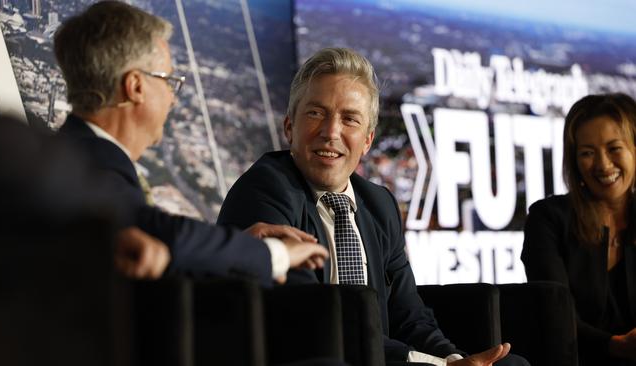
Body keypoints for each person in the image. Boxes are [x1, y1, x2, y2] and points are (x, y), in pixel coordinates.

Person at [218, 47, 528, 365]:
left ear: (367, 141)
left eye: (349, 119)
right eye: (315, 113)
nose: (330, 132)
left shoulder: (380, 204)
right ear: (289, 128)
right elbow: (311, 318)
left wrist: (451, 358)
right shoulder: (266, 190)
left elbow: (409, 315)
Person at [52, 1, 328, 285]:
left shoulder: (75, 151)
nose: (173, 98)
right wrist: (273, 253)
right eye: (169, 81)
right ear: (135, 86)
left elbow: (150, 251)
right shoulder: (92, 161)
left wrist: (238, 246)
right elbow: (161, 232)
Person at [522, 93, 636, 365]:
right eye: (587, 153)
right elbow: (553, 313)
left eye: (614, 148)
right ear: (574, 161)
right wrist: (615, 346)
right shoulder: (547, 218)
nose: (603, 164)